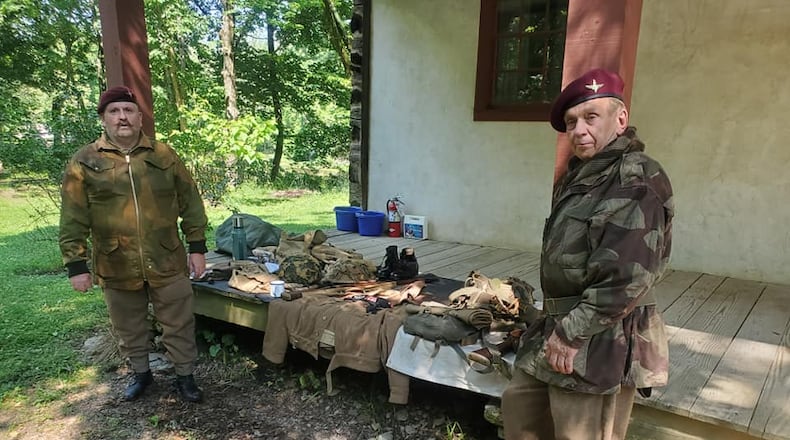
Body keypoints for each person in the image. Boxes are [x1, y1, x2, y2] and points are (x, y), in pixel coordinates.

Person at [501, 69, 673, 439]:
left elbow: (627, 277)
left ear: (620, 119)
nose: (579, 130)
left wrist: (570, 334)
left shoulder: (634, 178)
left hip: (601, 338)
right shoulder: (584, 173)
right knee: (521, 413)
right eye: (571, 122)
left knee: (579, 432)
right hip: (558, 325)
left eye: (591, 117)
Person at [59, 86, 208, 403]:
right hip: (116, 261)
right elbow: (73, 217)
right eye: (114, 111)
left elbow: (191, 201)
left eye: (128, 110)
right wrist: (76, 265)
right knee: (128, 326)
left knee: (179, 322)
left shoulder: (164, 155)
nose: (122, 117)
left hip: (167, 256)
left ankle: (185, 377)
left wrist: (197, 246)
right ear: (103, 119)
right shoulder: (84, 161)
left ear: (140, 117)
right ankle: (141, 375)